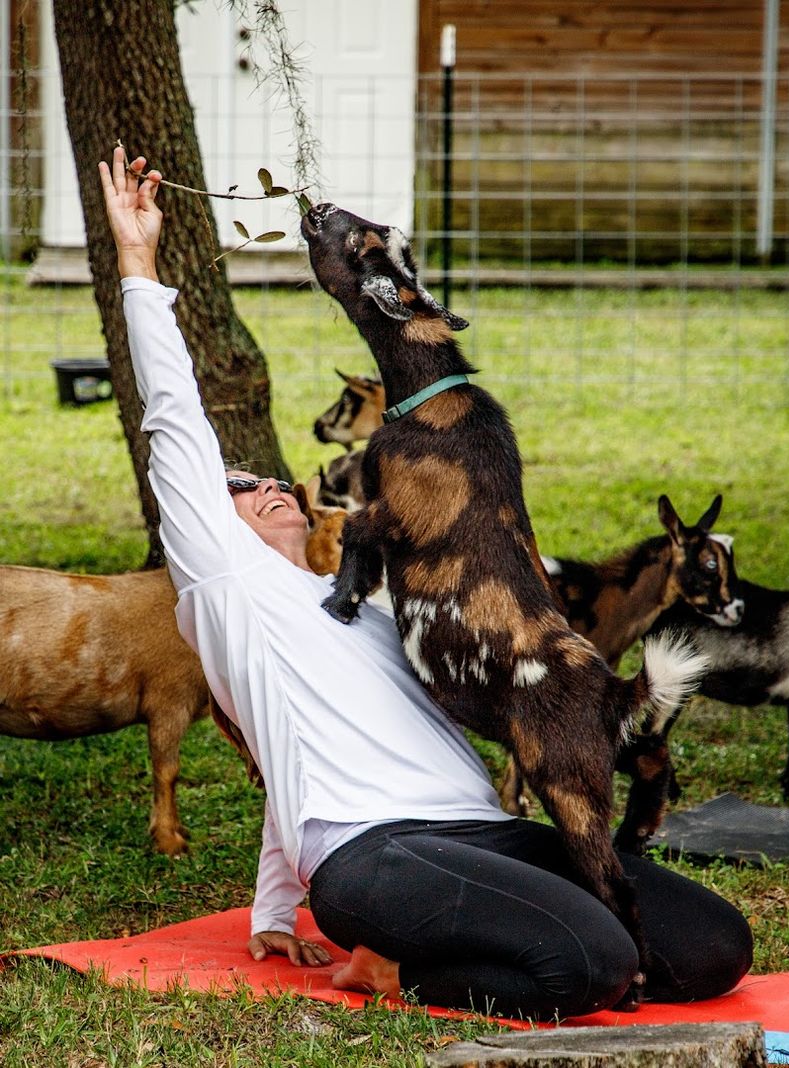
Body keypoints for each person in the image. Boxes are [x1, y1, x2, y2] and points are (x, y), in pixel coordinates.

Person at [98, 146, 752, 1021]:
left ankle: (498, 942)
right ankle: (389, 973)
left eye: (273, 482)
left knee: (715, 947)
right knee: (589, 965)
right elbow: (174, 418)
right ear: (205, 530)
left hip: (486, 836)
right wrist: (139, 264)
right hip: (379, 852)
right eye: (242, 489)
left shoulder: (368, 604)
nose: (270, 488)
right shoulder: (227, 585)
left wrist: (268, 905)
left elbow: (291, 751)